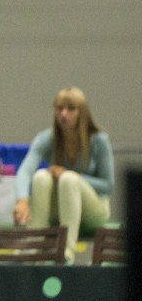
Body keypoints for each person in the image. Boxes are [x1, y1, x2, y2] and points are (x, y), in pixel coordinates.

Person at [13, 87, 114, 264]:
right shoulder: (47, 138)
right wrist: (22, 200)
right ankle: (34, 246)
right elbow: (24, 171)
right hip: (61, 209)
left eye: (70, 109)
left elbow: (108, 186)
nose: (63, 114)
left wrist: (72, 175)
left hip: (94, 209)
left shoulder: (99, 140)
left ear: (81, 112)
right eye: (59, 108)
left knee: (68, 180)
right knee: (41, 176)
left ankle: (65, 253)